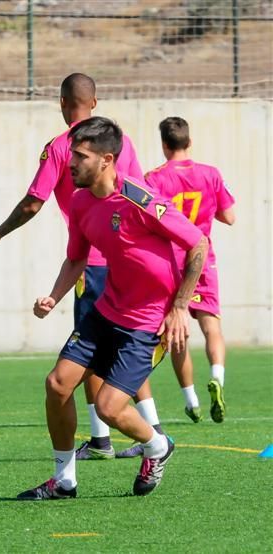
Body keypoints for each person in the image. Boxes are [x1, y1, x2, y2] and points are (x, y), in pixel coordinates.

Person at [17, 117, 208, 500]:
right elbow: (76, 259)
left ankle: (157, 447)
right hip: (106, 311)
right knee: (57, 385)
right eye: (71, 153)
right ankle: (63, 480)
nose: (71, 163)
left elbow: (198, 244)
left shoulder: (141, 199)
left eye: (80, 156)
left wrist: (179, 307)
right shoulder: (80, 201)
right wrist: (54, 296)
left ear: (106, 160)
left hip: (148, 323)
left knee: (107, 408)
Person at [0, 73, 164, 459]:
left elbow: (33, 201)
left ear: (62, 103)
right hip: (128, 261)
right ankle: (144, 427)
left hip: (93, 263)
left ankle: (107, 439)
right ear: (93, 102)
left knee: (89, 354)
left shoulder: (62, 147)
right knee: (120, 348)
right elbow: (144, 190)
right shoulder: (116, 140)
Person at [144, 116, 236, 423]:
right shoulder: (210, 174)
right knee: (212, 326)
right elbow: (230, 215)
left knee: (178, 332)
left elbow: (149, 220)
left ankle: (191, 400)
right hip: (203, 255)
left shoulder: (154, 178)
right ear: (189, 142)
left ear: (164, 144)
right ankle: (218, 379)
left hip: (173, 259)